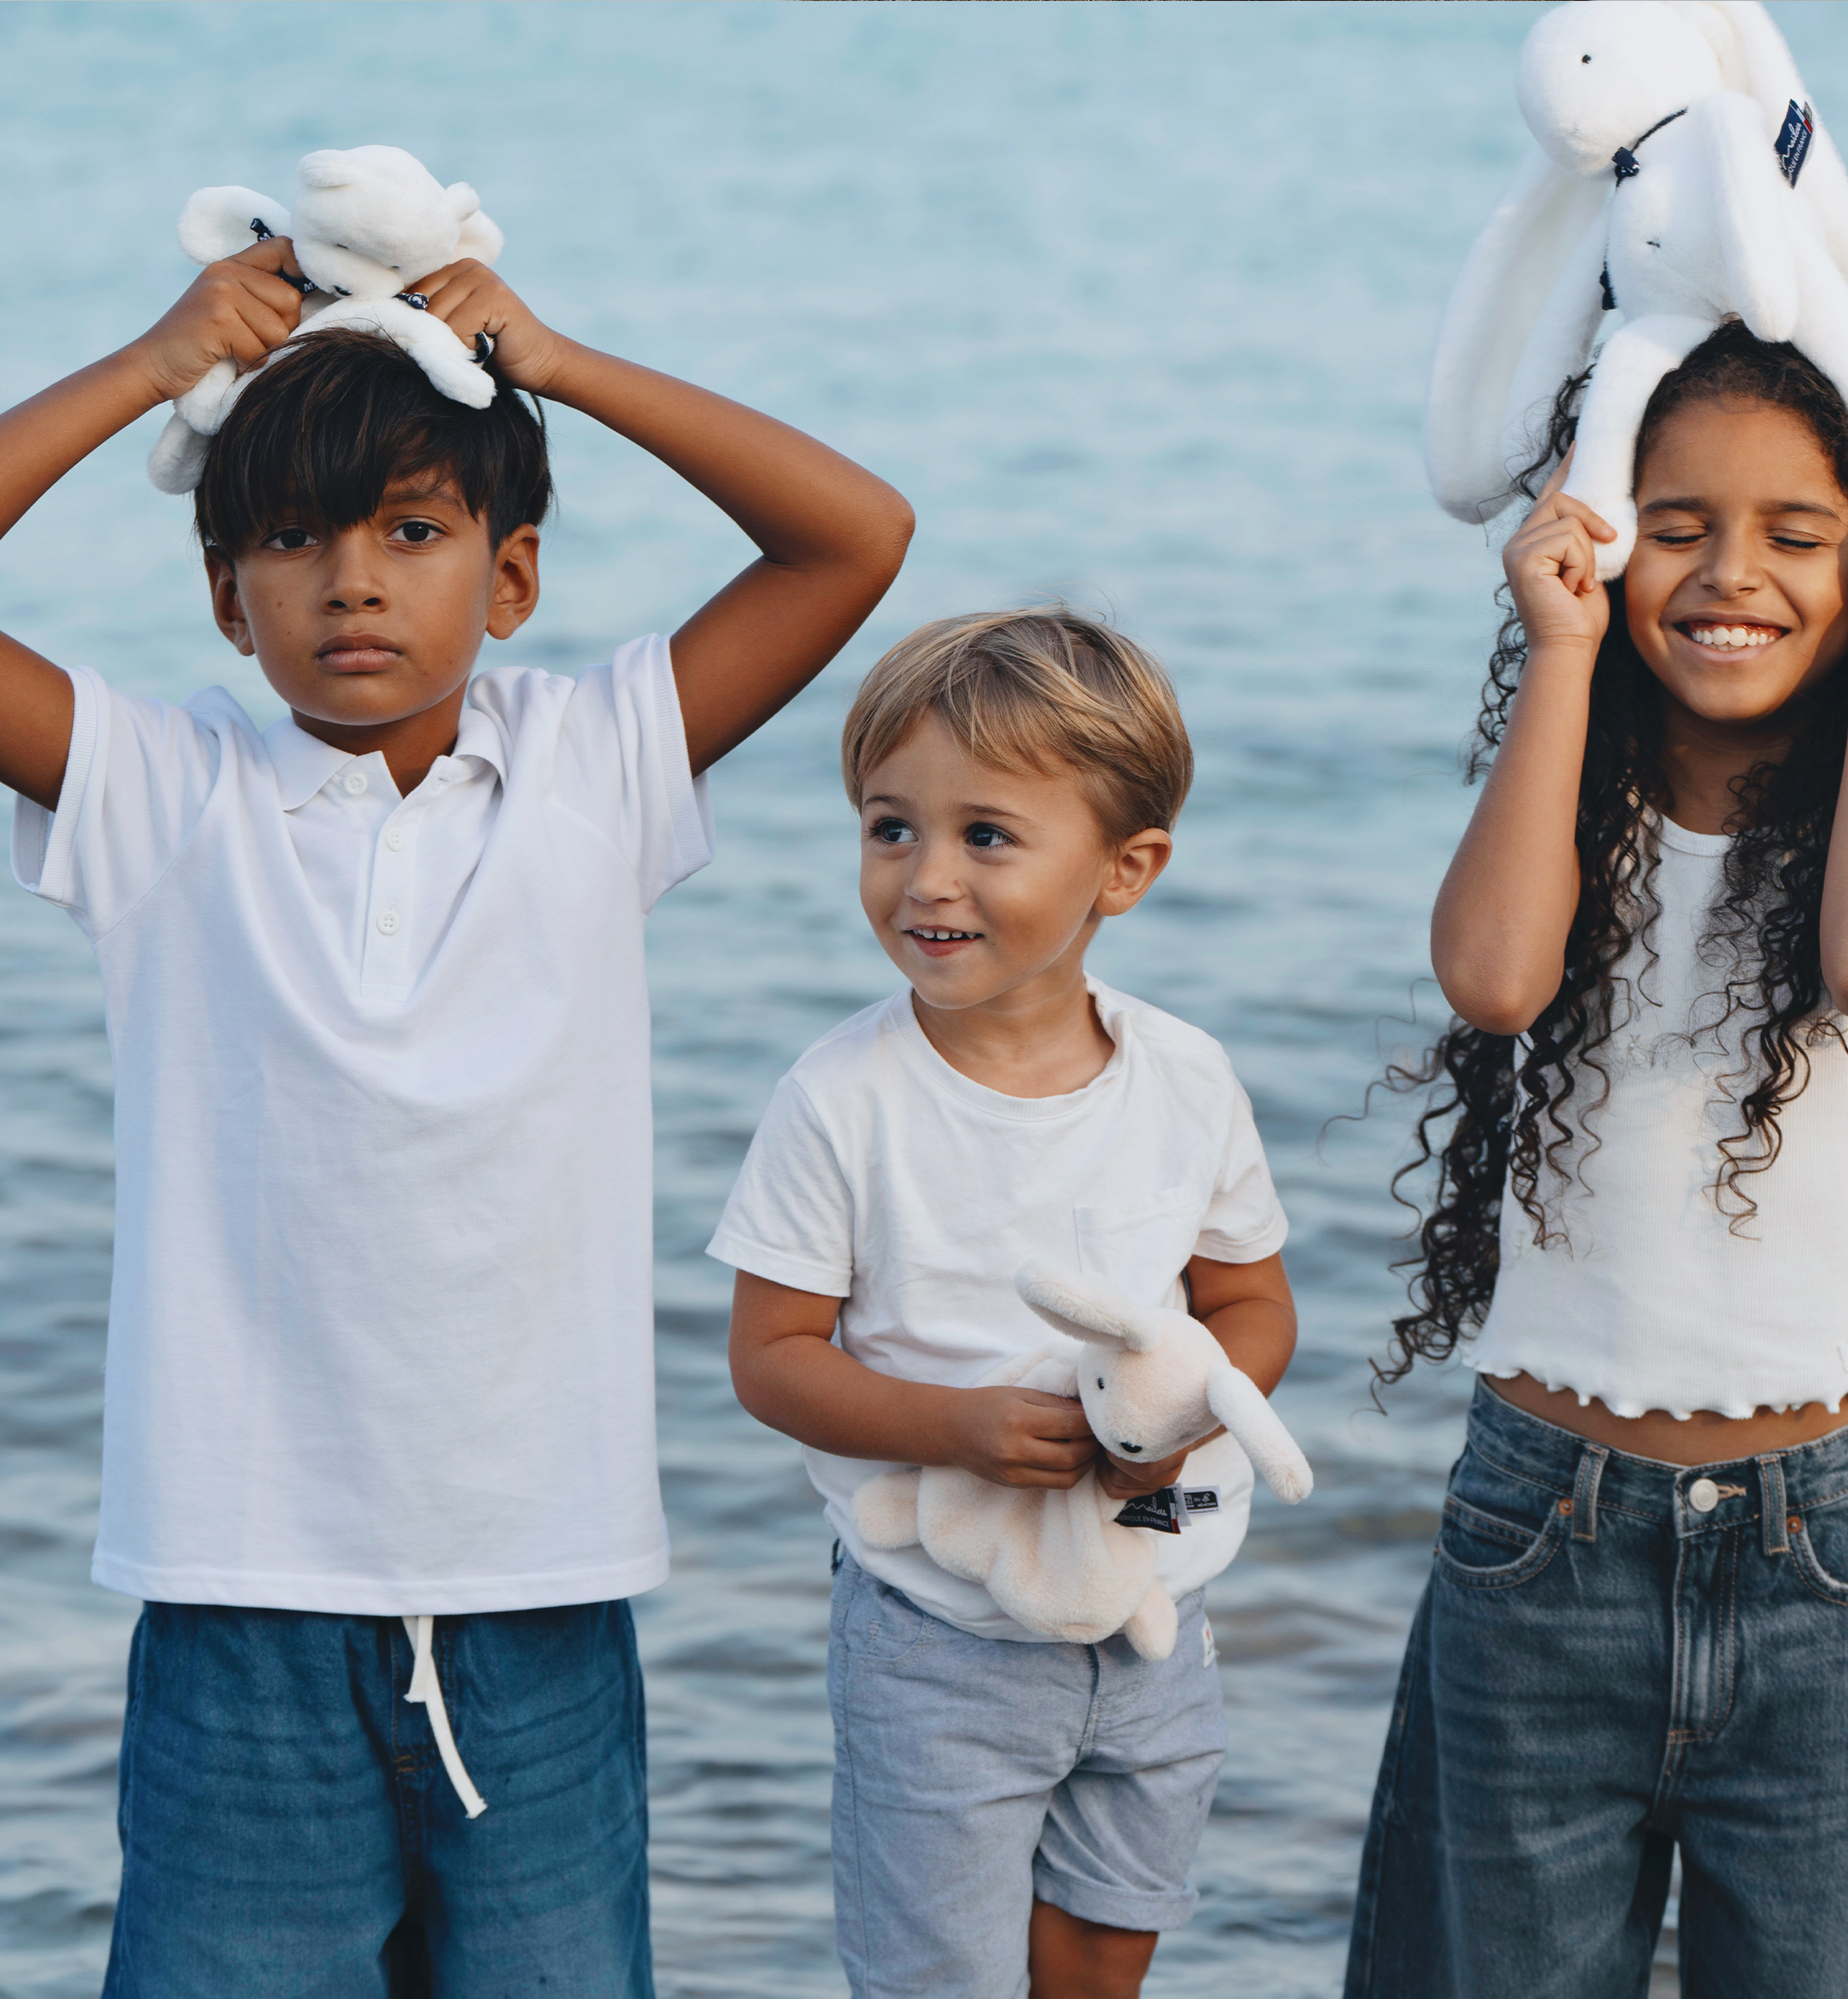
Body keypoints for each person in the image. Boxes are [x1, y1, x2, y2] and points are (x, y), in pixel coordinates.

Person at [0, 231, 913, 1995]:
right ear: (225, 596)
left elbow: (853, 535)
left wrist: (554, 362)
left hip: (538, 1585)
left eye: (412, 532)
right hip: (241, 1590)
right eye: (293, 539)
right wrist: (151, 366)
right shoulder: (163, 793)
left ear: (511, 577)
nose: (353, 581)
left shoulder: (594, 764)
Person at [1345, 318, 1848, 1998]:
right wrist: (1555, 643)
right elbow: (1492, 978)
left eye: (1796, 535)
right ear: (1607, 539)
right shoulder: (1566, 798)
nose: (1729, 574)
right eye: (1675, 525)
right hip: (1537, 1540)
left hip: (1822, 1554)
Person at [710, 610, 1298, 1999]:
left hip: (1156, 1599)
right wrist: (954, 1426)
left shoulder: (1184, 1077)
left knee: (1107, 1938)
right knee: (938, 1973)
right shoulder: (841, 1099)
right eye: (889, 827)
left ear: (1124, 869)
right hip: (937, 1633)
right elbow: (773, 1357)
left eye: (986, 834)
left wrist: (1181, 1425)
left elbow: (1250, 1305)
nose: (926, 878)